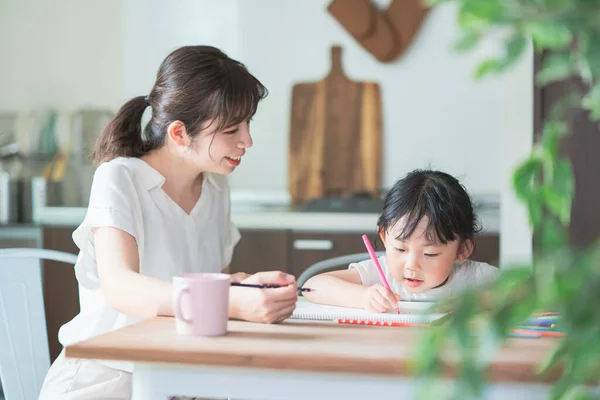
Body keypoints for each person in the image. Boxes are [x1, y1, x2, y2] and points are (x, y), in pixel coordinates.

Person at [39, 45, 298, 400]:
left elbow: (211, 284)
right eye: (231, 129)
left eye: (247, 124)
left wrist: (242, 287)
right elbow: (121, 288)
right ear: (179, 133)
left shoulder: (216, 186)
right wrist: (228, 301)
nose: (247, 141)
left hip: (184, 376)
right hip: (108, 376)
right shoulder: (119, 178)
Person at [303, 169, 498, 312]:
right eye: (400, 249)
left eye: (430, 253)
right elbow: (311, 287)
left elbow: (526, 296)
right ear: (385, 237)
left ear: (462, 250)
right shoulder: (380, 274)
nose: (412, 265)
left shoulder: (474, 279)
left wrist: (484, 301)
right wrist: (363, 296)